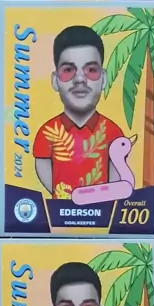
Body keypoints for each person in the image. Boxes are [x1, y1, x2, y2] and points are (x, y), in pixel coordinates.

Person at [33, 25, 125, 199]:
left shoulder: (113, 133)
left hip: (102, 207)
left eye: (91, 70)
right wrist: (62, 194)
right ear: (55, 80)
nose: (80, 79)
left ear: (104, 79)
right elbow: (42, 164)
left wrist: (102, 196)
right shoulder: (47, 132)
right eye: (68, 70)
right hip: (59, 208)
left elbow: (117, 169)